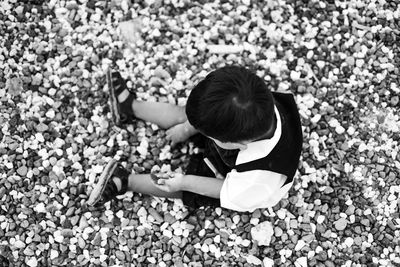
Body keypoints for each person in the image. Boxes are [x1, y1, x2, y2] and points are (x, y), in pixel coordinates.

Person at [87, 66, 302, 212]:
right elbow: (207, 118)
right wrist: (188, 127)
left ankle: (125, 181)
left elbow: (222, 189)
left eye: (209, 135)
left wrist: (183, 181)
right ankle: (131, 107)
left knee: (186, 189)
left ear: (235, 145)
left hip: (228, 179)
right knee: (189, 115)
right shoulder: (256, 102)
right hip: (233, 137)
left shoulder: (258, 179)